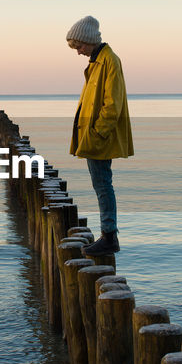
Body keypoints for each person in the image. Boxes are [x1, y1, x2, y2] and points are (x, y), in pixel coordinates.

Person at [65, 15, 133, 255]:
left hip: (99, 138)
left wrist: (96, 133)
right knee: (101, 185)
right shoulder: (97, 61)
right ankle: (107, 234)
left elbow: (111, 105)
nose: (78, 51)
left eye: (79, 46)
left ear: (90, 40)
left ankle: (109, 237)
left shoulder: (109, 61)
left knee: (103, 186)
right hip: (94, 137)